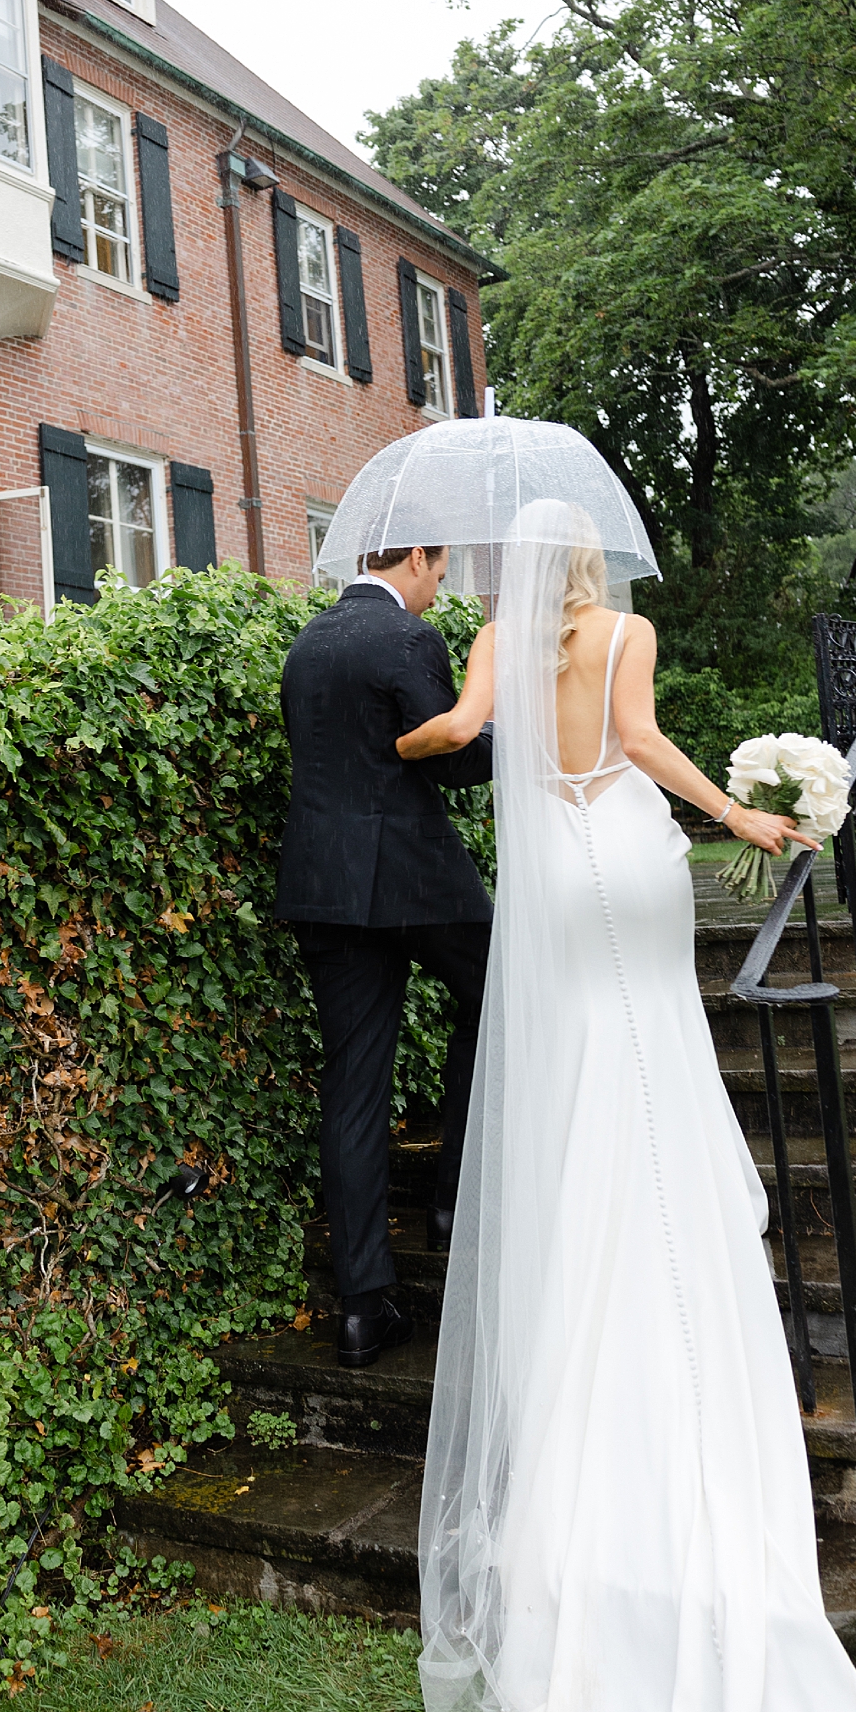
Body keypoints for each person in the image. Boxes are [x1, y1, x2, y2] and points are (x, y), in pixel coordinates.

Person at [400, 499, 856, 1712]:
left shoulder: (494, 644)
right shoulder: (623, 628)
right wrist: (742, 810)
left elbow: (453, 739)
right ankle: (664, 1240)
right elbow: (635, 746)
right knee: (649, 1039)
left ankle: (596, 1246)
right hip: (622, 853)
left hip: (548, 876)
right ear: (596, 558)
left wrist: (387, 746)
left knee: (576, 1064)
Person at [276, 543, 494, 1370]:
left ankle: (363, 1307)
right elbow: (453, 759)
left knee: (354, 1084)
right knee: (494, 992)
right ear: (411, 557)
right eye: (439, 570)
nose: (440, 585)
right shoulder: (405, 638)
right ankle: (452, 1203)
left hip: (323, 889)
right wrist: (522, 734)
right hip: (412, 883)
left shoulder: (307, 644)